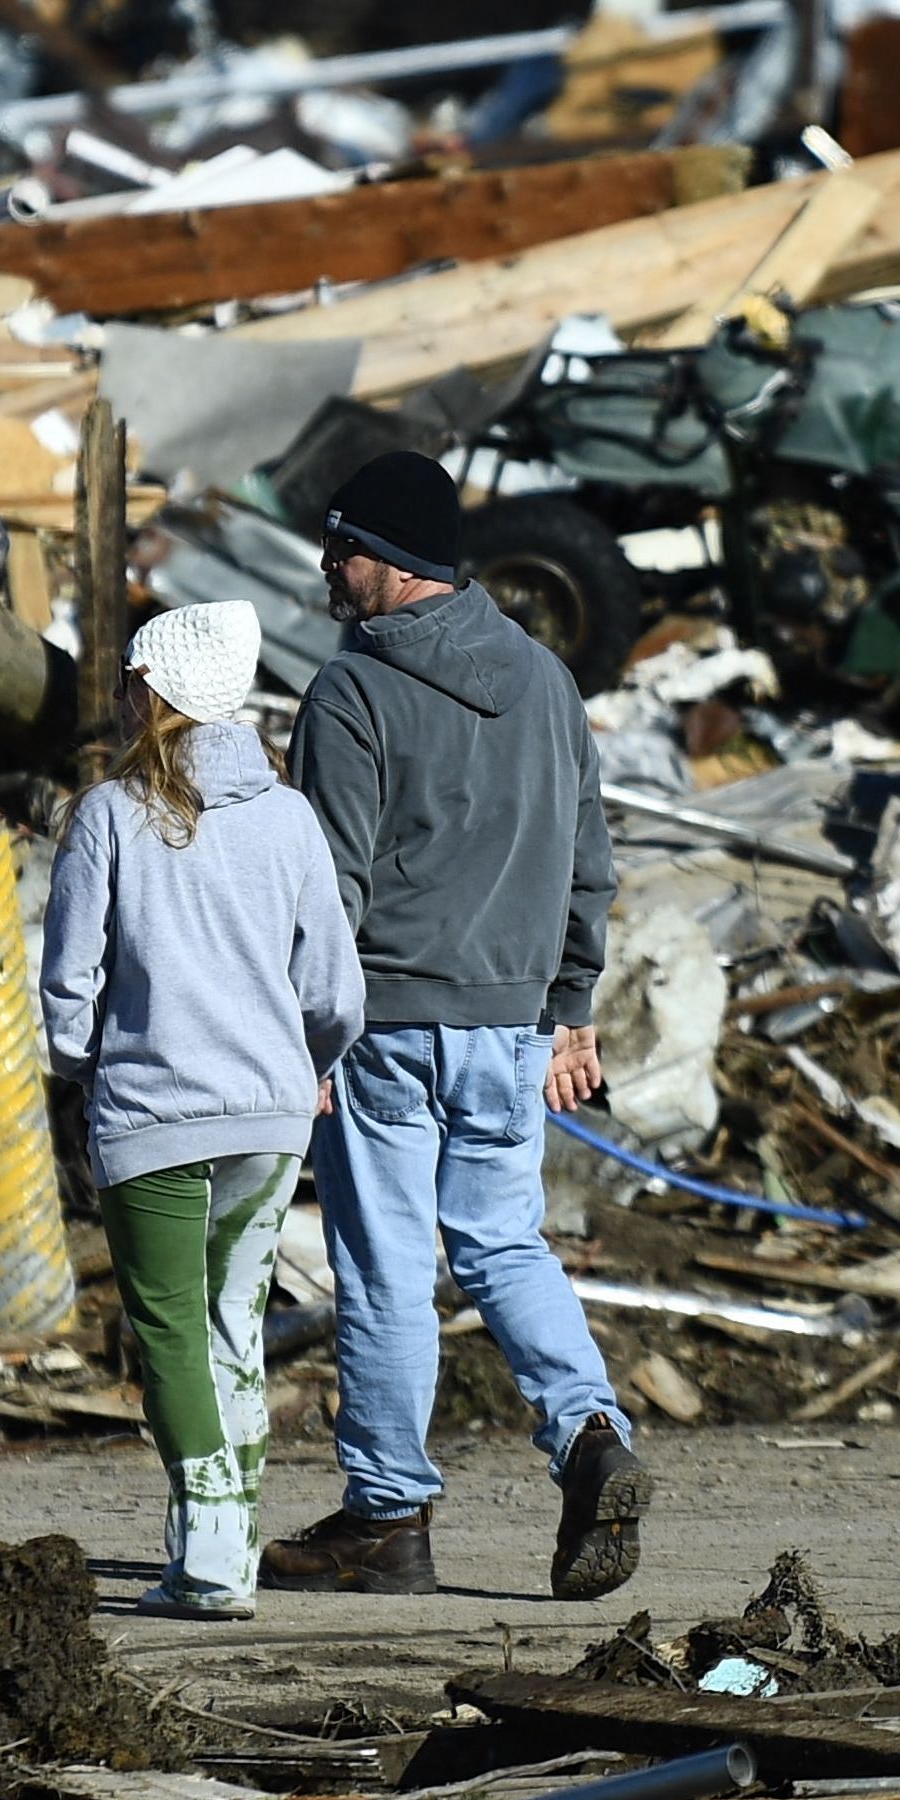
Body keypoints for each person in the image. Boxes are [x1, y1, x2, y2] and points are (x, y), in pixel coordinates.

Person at [264, 448, 648, 1602]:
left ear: (389, 563)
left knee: (384, 1270)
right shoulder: (541, 675)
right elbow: (590, 860)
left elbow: (325, 884)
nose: (329, 570)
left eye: (341, 550)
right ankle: (586, 1434)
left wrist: (309, 1032)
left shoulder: (353, 690)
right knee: (501, 1243)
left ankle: (387, 1517)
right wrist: (568, 1011)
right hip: (509, 1027)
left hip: (385, 1021)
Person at [39, 599, 364, 1618]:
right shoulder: (290, 818)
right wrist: (304, 1062)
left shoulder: (109, 817)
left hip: (153, 1116)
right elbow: (335, 992)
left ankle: (218, 1556)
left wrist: (90, 1064)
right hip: (271, 1115)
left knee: (172, 1332)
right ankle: (218, 1543)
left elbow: (66, 993)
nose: (127, 693)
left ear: (160, 692)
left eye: (137, 678)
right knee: (232, 1324)